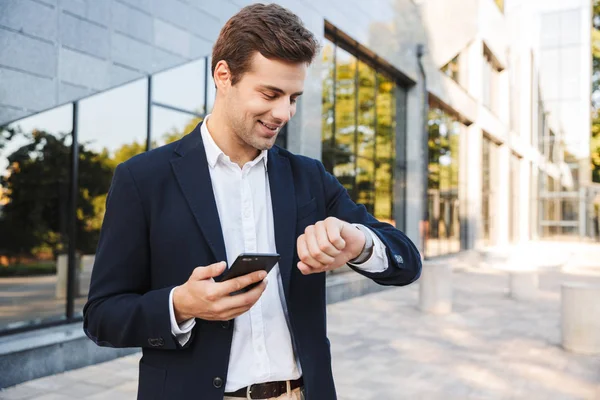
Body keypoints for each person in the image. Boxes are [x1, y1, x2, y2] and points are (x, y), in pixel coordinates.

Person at [83, 3, 422, 400]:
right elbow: (102, 316)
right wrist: (180, 305)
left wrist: (359, 243)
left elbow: (407, 263)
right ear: (223, 76)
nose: (284, 113)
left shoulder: (308, 177)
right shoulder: (143, 179)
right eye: (270, 93)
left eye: (293, 97)